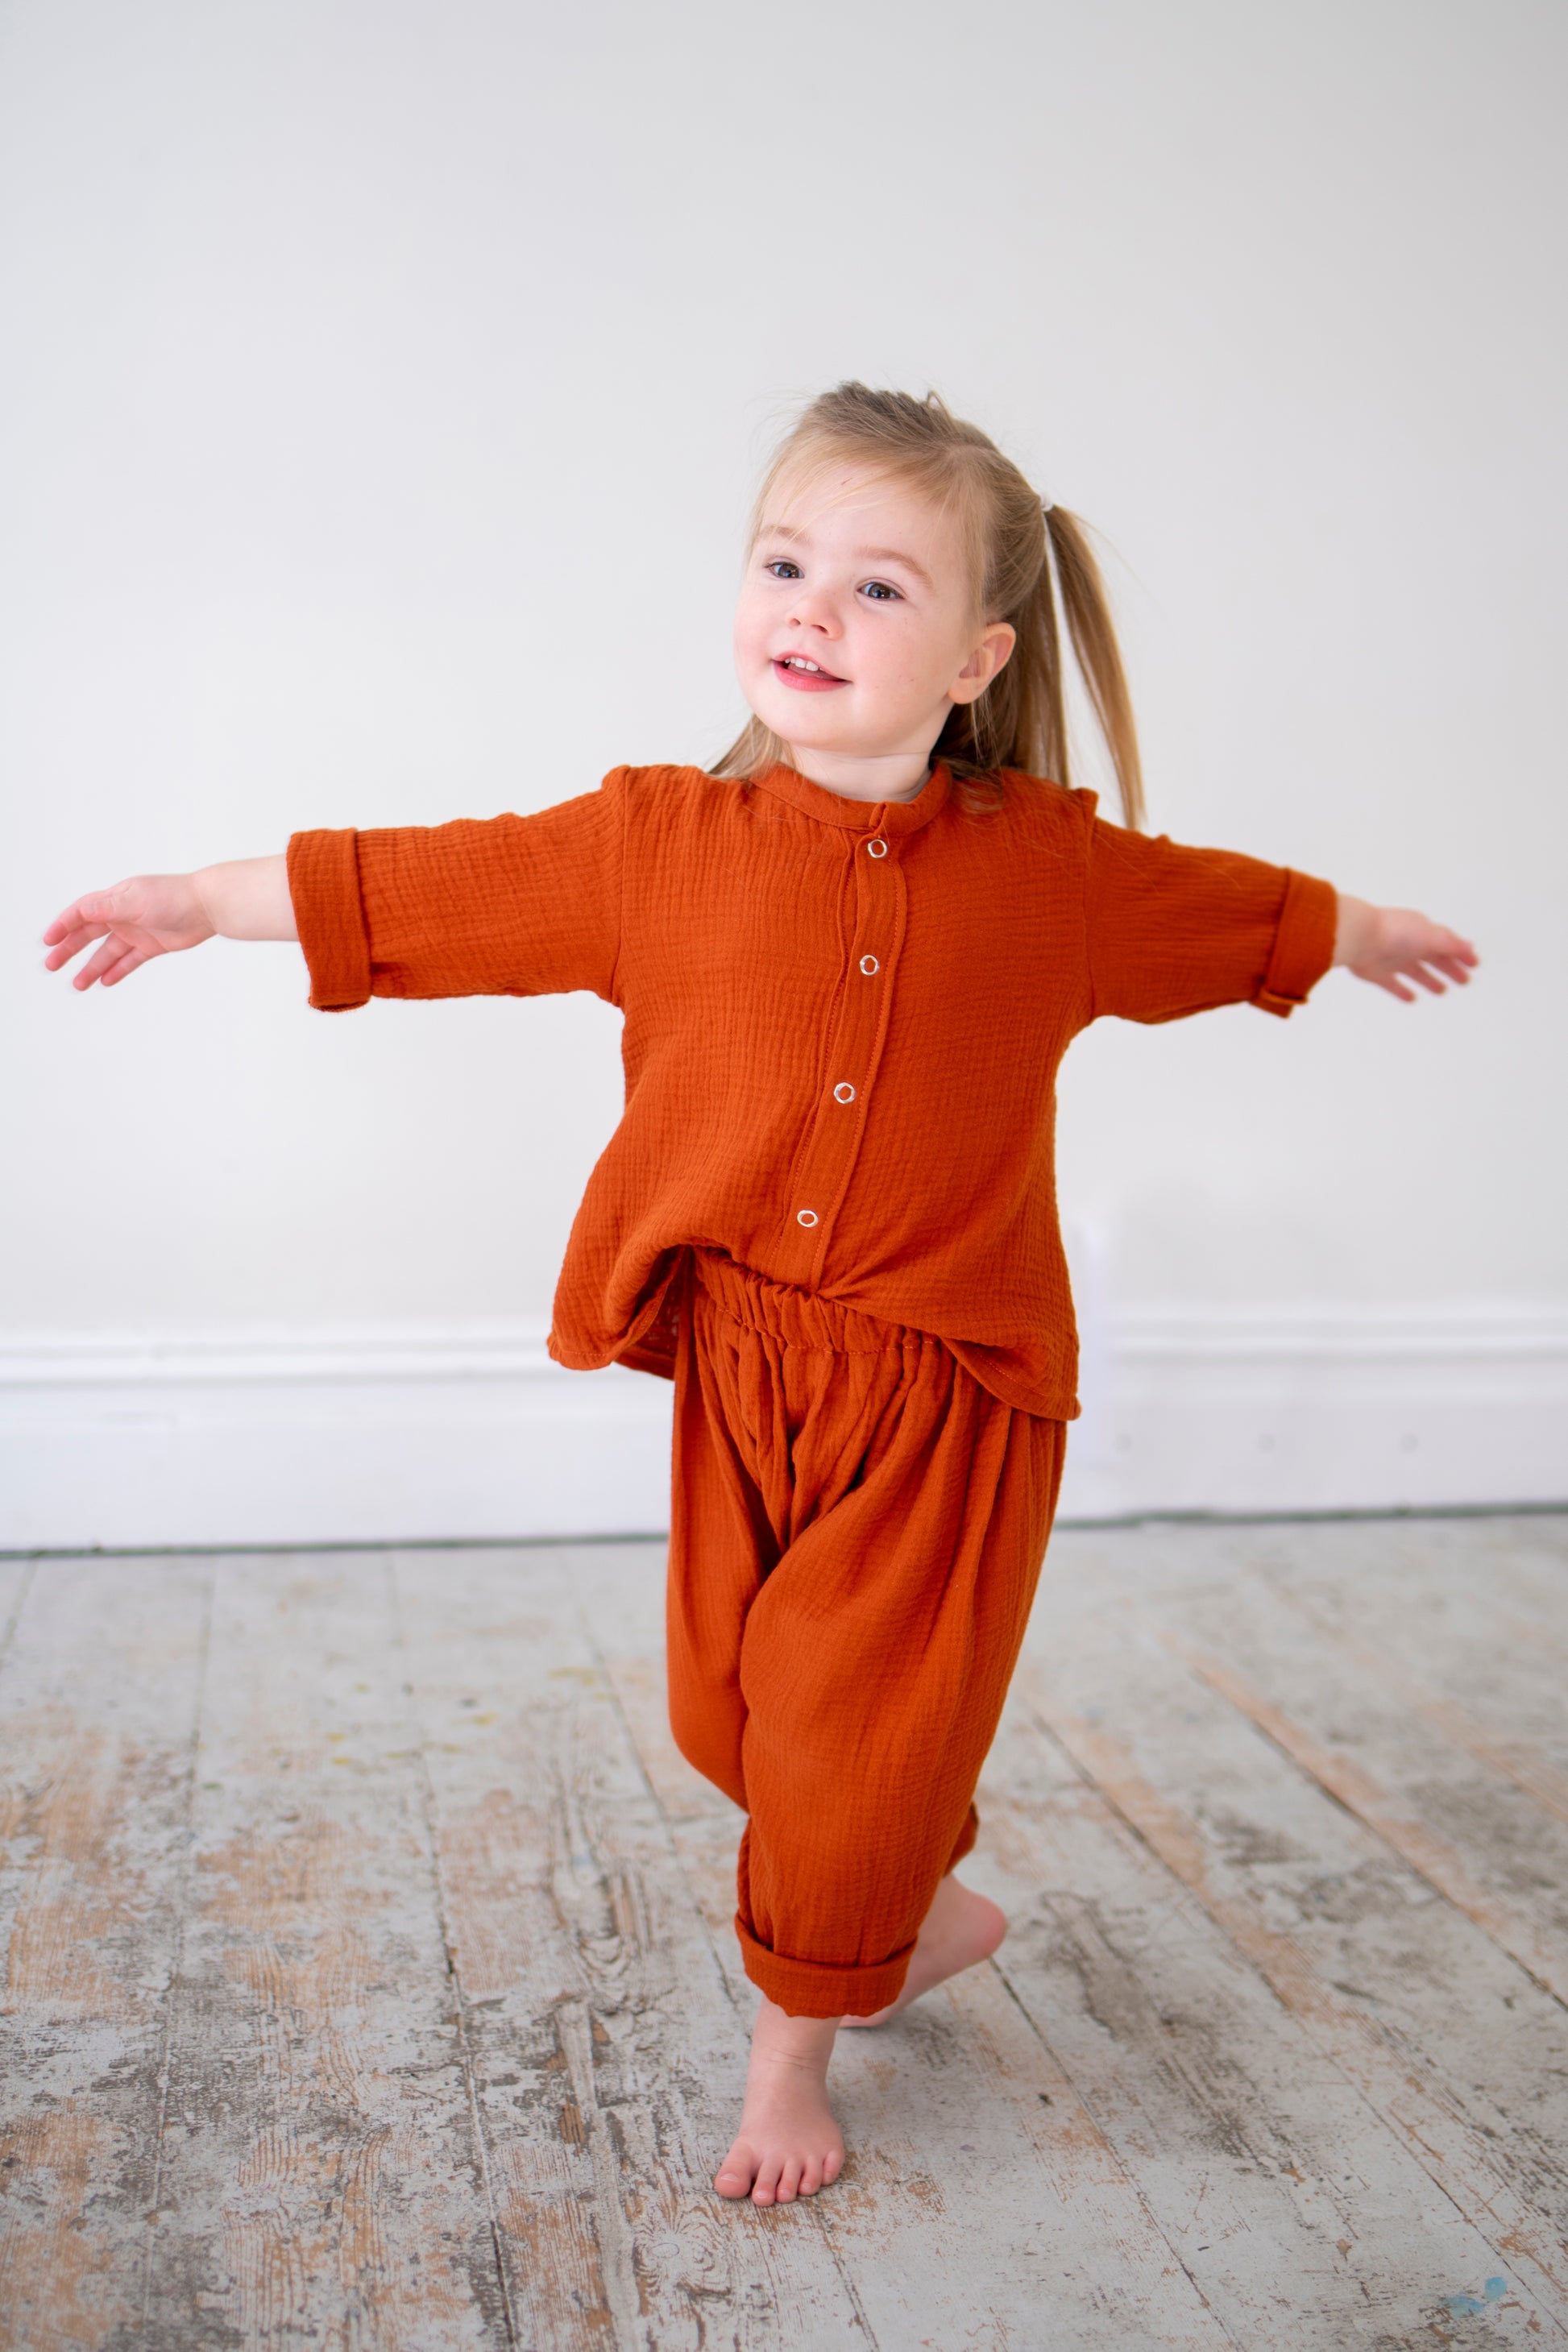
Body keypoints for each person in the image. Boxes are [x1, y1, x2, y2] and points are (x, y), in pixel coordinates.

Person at [42, 384, 1476, 2209]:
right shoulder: (657, 842)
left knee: (841, 1742)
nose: (812, 607)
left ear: (976, 657)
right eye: (785, 564)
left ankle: (793, 2056)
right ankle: (912, 1907)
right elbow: (423, 887)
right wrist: (195, 899)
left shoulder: (1051, 870)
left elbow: (1230, 910)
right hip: (746, 1366)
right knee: (728, 1717)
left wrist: (1363, 933)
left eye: (878, 586)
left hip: (949, 1380)